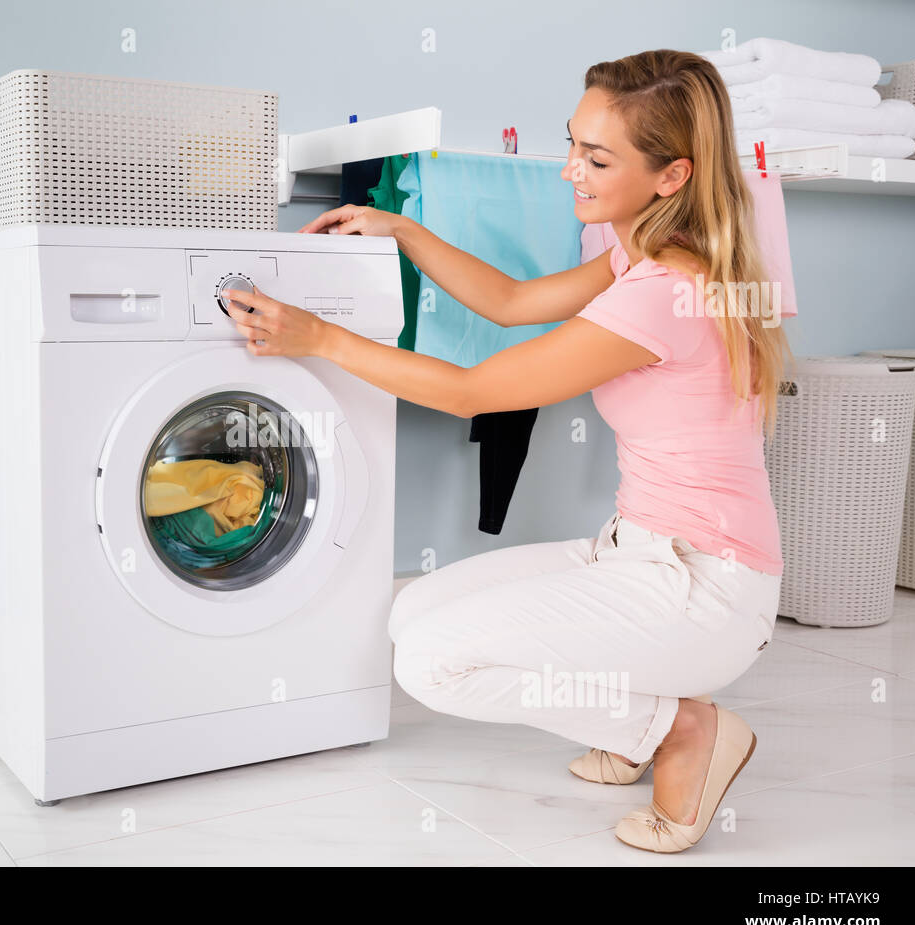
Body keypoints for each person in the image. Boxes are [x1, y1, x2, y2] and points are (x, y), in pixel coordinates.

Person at [221, 48, 794, 853]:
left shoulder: (667, 292)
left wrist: (316, 338)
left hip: (705, 589)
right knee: (414, 611)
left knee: (432, 664)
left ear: (671, 176)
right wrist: (404, 228)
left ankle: (678, 729)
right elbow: (514, 300)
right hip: (641, 554)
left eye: (596, 159)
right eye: (573, 144)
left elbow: (470, 390)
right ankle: (644, 715)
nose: (569, 172)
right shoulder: (638, 256)